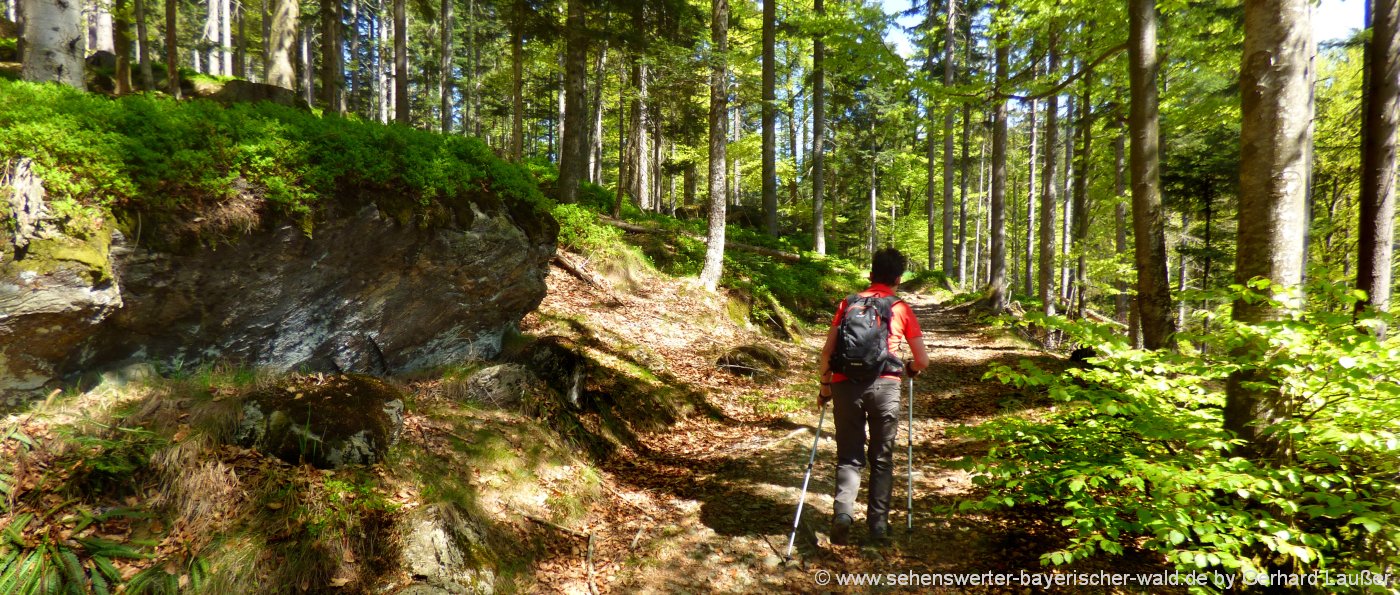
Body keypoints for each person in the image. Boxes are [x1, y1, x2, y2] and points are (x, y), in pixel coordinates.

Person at [817, 247, 929, 545]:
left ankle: (843, 514)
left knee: (849, 456)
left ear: (870, 275)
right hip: (885, 387)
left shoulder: (848, 302)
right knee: (881, 458)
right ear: (898, 278)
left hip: (844, 384)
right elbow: (922, 360)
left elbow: (828, 352)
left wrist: (825, 387)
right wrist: (908, 367)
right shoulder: (900, 308)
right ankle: (877, 526)